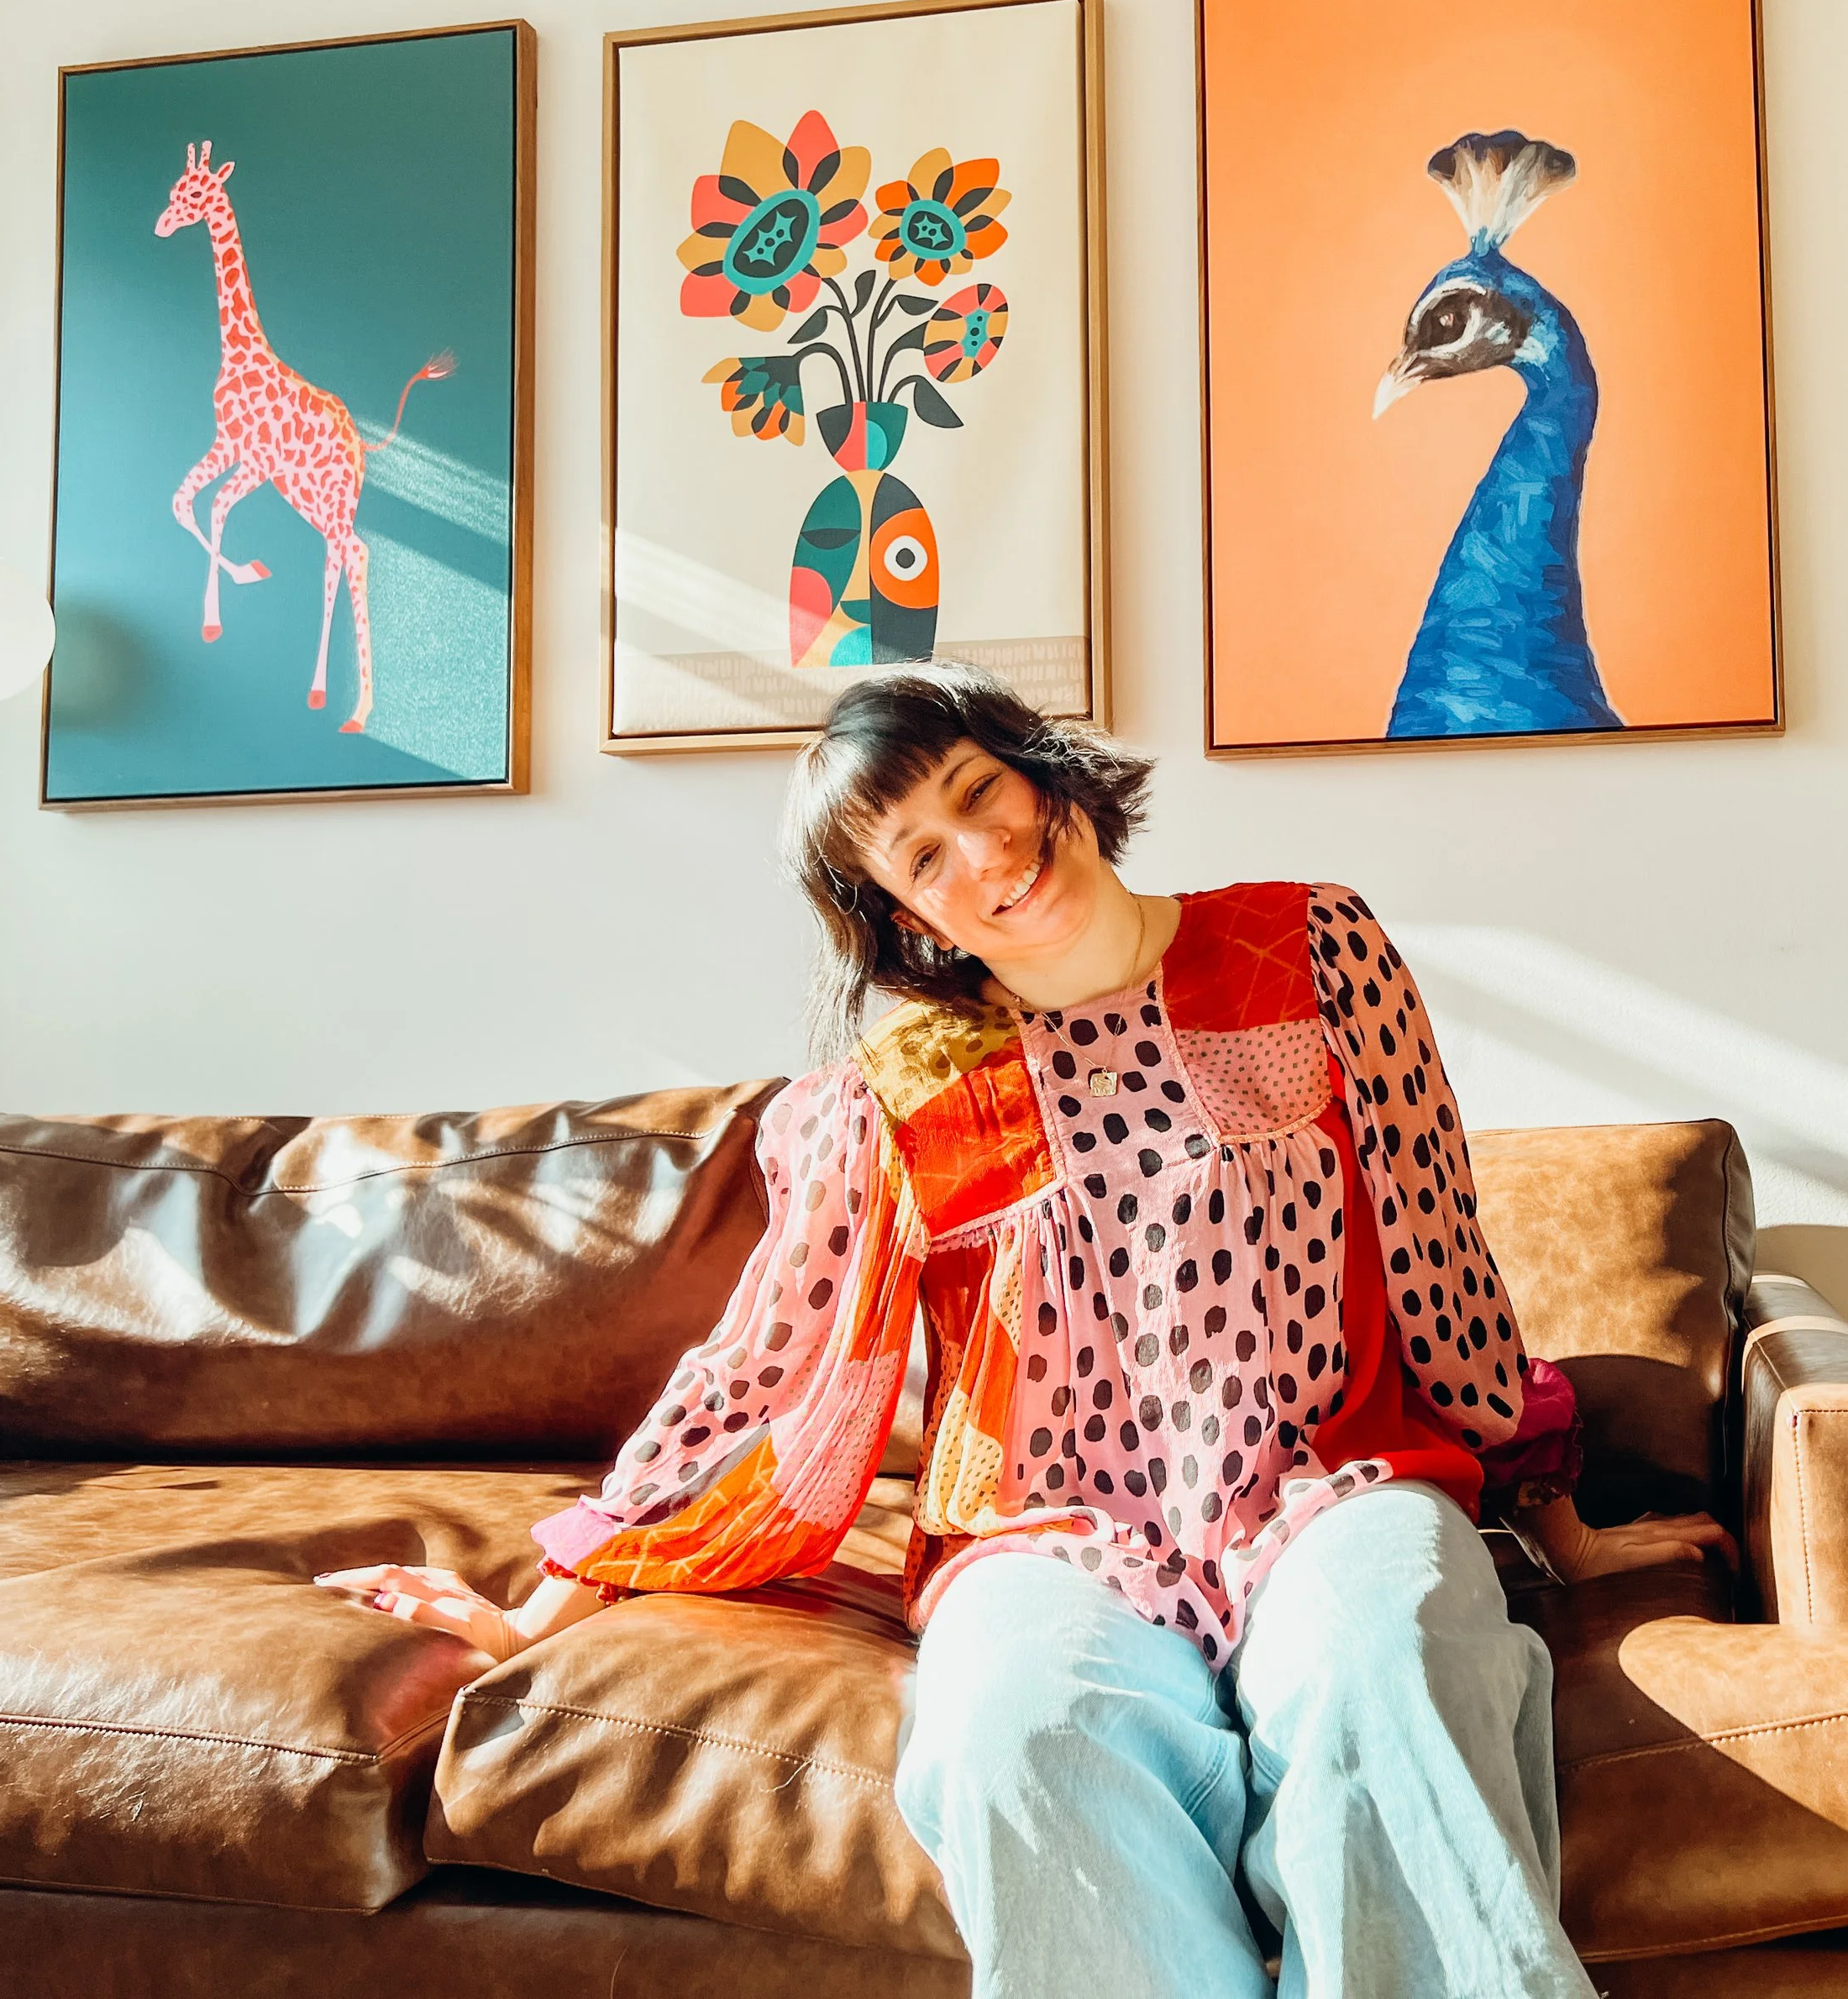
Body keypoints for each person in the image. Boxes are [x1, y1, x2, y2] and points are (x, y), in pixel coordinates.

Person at [319, 664, 1733, 1998]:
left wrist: (1563, 1527)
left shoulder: (1313, 947)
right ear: (907, 920)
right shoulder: (898, 1094)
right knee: (1017, 1733)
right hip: (1044, 1533)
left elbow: (1438, 1258)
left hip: (1334, 1485)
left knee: (1388, 1669)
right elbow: (765, 1375)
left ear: (1040, 773)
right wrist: (536, 1611)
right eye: (922, 857)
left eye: (975, 792)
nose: (982, 854)